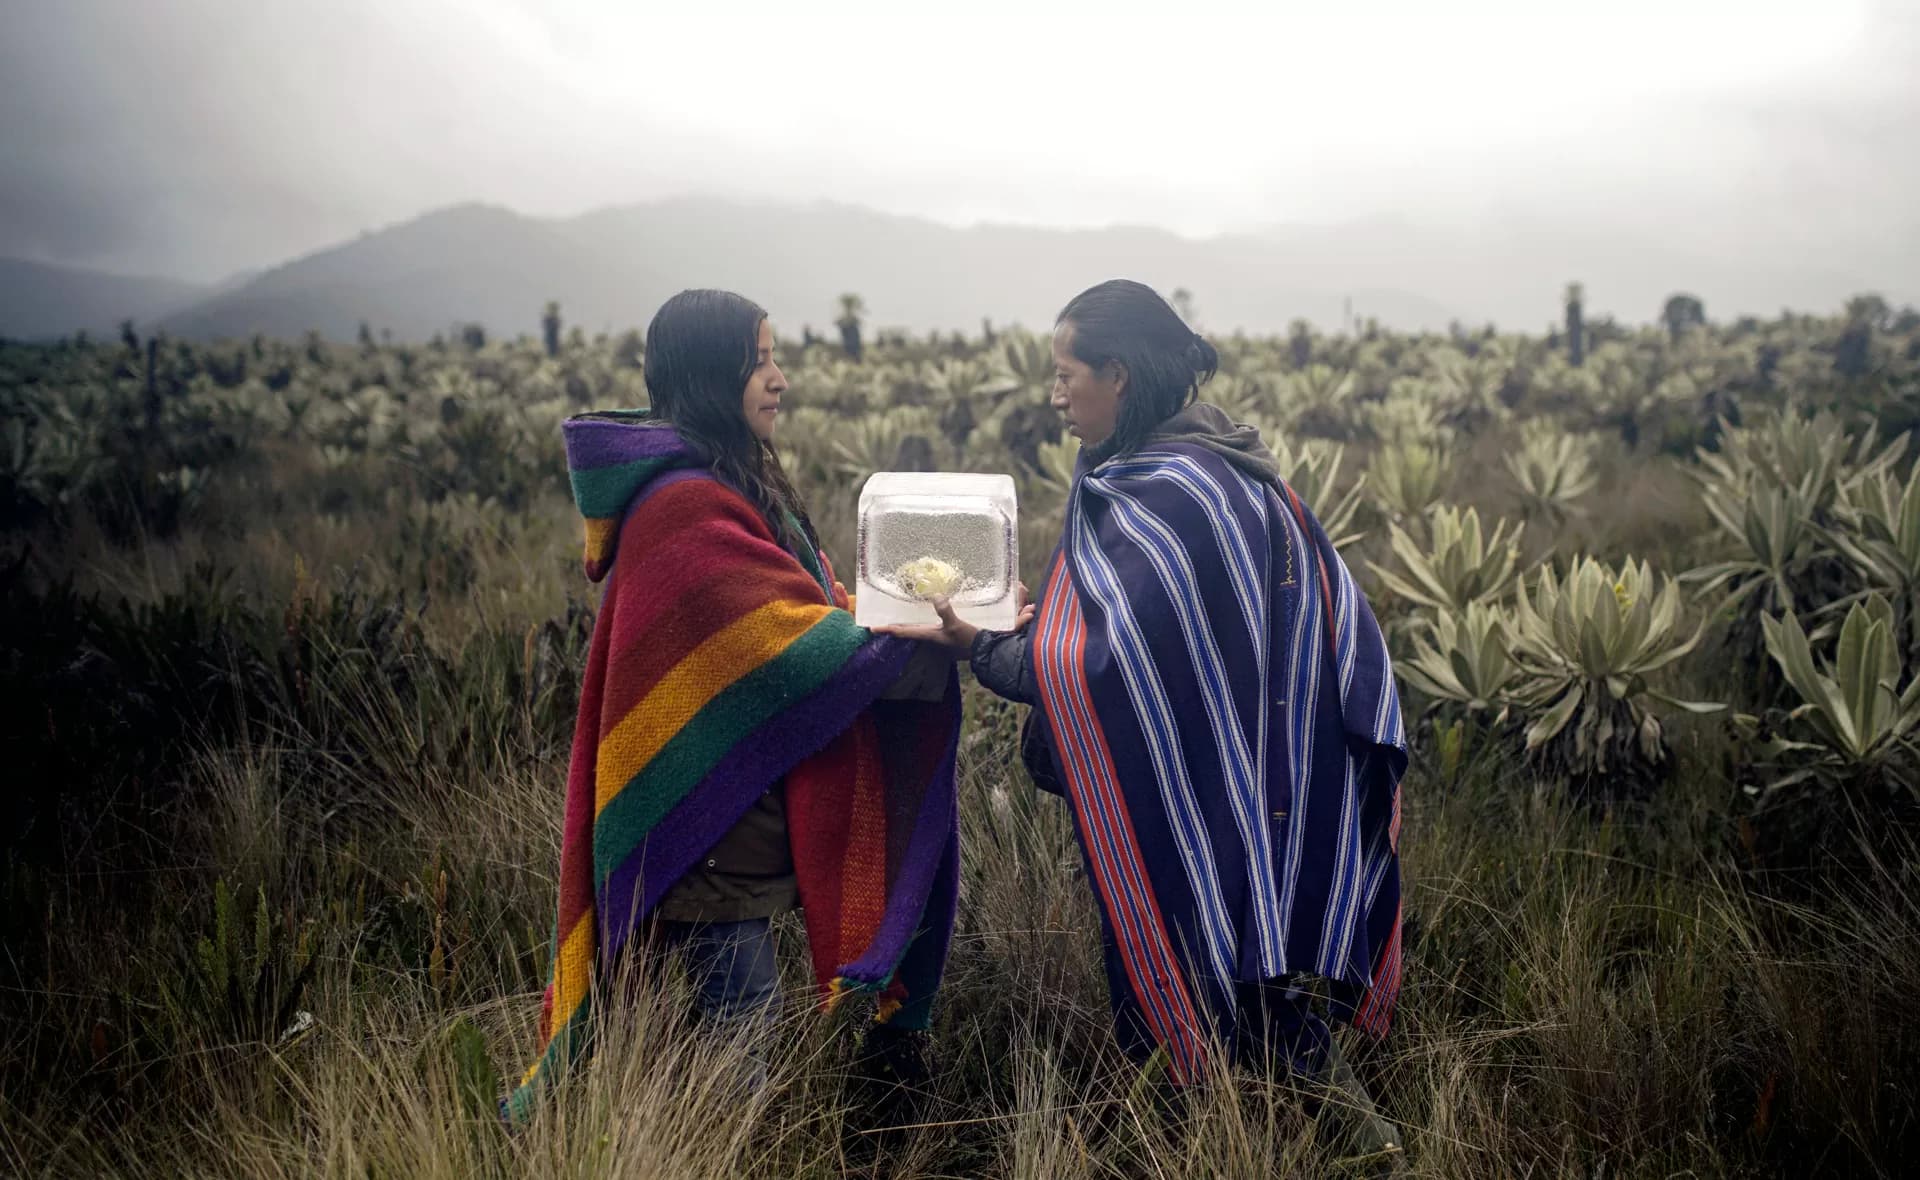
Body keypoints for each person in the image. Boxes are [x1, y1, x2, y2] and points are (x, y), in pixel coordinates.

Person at [886, 280, 1405, 1149]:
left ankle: (1312, 1152)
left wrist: (978, 645)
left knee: (1214, 979)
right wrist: (1032, 620)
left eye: (1065, 375)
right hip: (1238, 781)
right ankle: (1256, 1147)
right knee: (1247, 979)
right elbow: (1112, 622)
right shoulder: (1206, 469)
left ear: (1117, 376)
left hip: (1209, 797)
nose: (1054, 396)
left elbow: (1093, 661)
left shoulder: (1177, 492)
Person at [505, 289, 962, 1124]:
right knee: (736, 1053)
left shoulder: (730, 482)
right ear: (713, 373)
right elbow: (788, 649)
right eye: (760, 360)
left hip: (730, 824)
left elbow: (804, 608)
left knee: (729, 1037)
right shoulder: (685, 506)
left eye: (776, 358)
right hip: (704, 834)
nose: (779, 379)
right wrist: (915, 633)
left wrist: (922, 617)